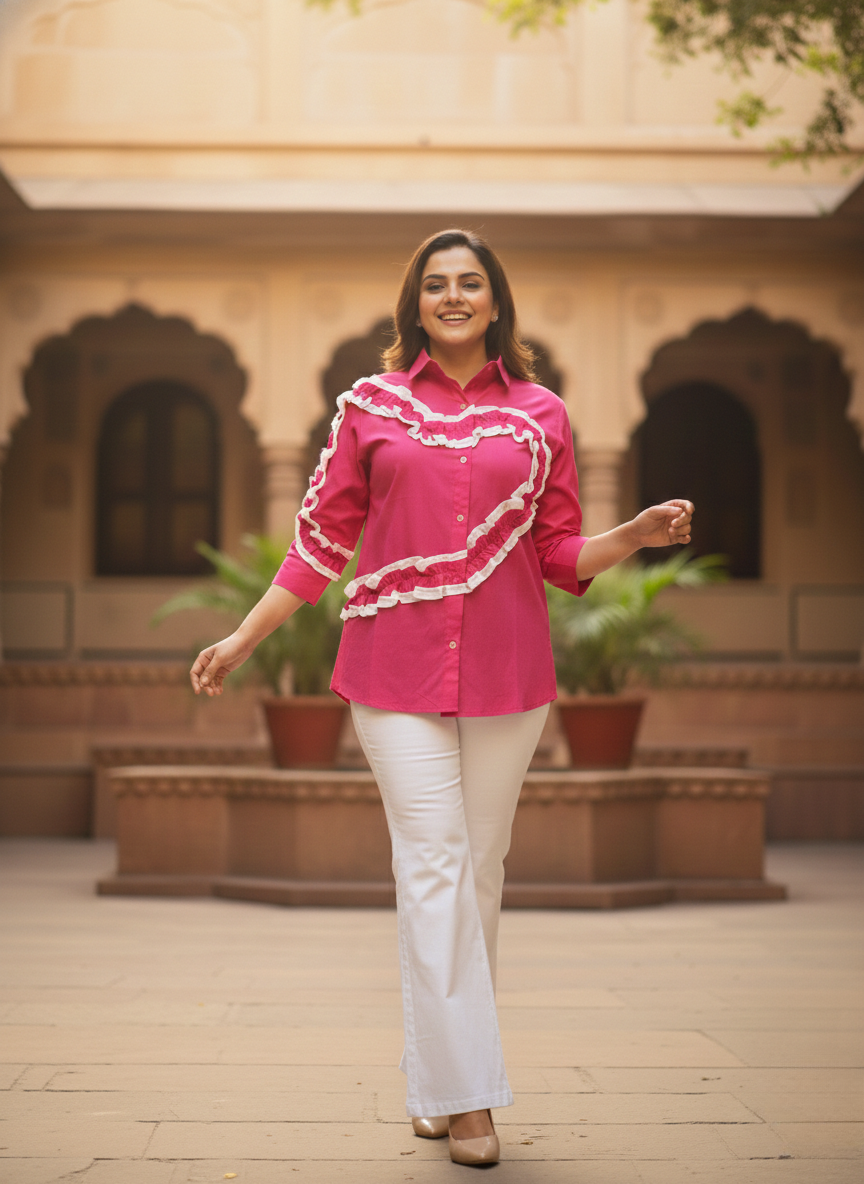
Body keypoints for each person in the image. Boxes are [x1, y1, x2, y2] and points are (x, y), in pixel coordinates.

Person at [190, 229, 694, 1166]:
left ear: (495, 302)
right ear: (415, 307)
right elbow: (319, 547)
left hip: (509, 674)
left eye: (470, 283)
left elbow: (559, 555)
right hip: (391, 672)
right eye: (437, 286)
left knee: (481, 872)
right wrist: (242, 638)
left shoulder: (542, 415)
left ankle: (439, 1078)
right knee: (434, 864)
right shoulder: (371, 409)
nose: (454, 297)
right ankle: (470, 1104)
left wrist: (632, 533)